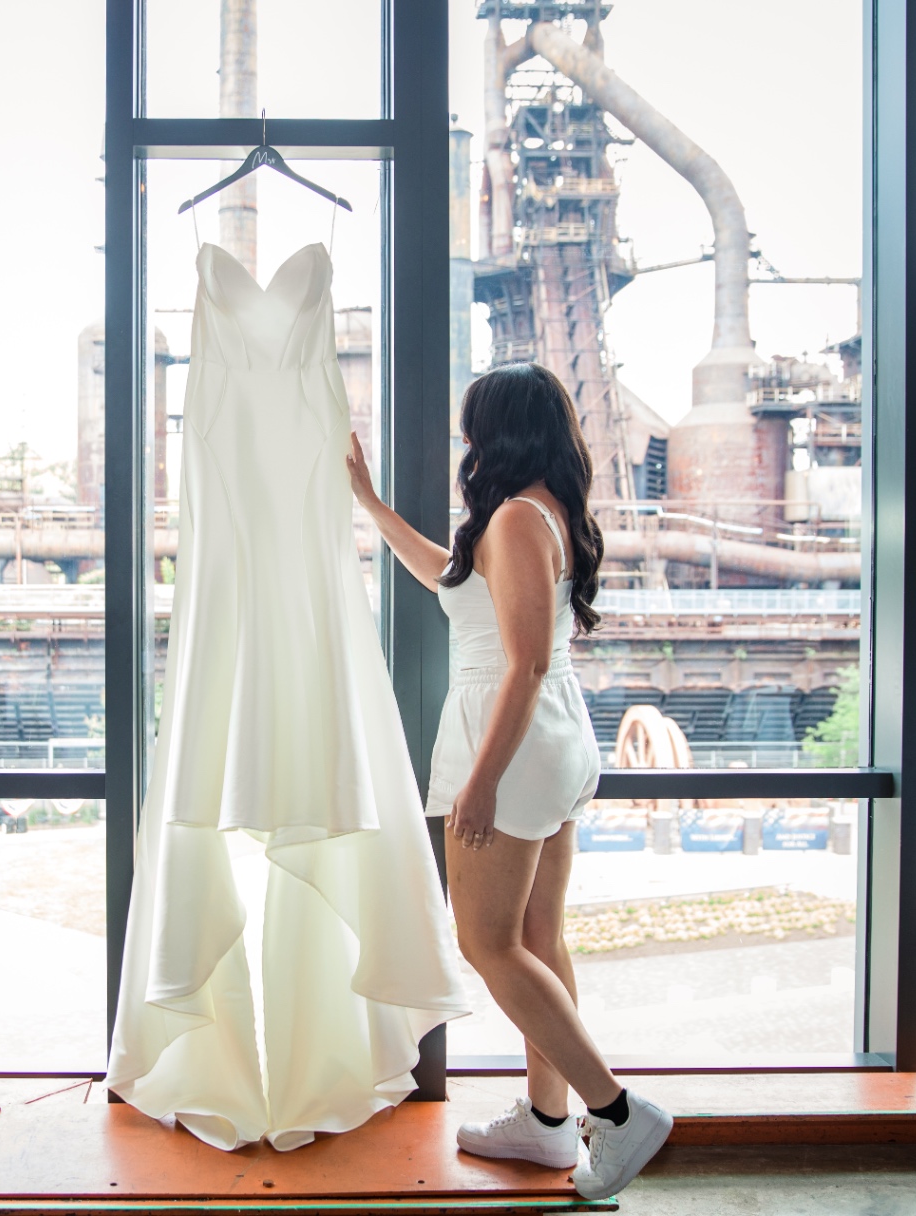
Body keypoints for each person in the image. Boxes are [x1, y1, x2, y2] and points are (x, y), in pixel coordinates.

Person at [345, 362, 671, 1200]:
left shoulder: (520, 519)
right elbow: (450, 583)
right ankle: (549, 1123)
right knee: (535, 939)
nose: (463, 440)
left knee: (487, 944)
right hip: (546, 740)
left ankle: (619, 1115)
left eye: (471, 426)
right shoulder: (531, 511)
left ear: (499, 432)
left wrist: (481, 781)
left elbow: (522, 664)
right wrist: (374, 506)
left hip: (513, 742)